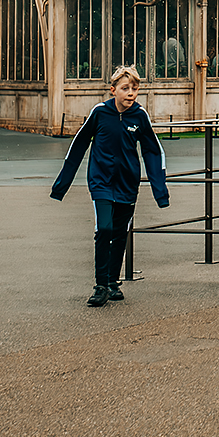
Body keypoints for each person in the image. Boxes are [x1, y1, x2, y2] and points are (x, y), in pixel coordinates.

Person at [51, 66, 171, 307]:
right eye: (125, 89)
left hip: (128, 183)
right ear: (113, 90)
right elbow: (78, 146)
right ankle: (100, 285)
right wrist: (62, 185)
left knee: (119, 233)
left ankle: (113, 282)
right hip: (101, 182)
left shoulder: (139, 116)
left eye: (134, 89)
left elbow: (152, 151)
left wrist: (161, 192)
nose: (130, 94)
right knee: (104, 228)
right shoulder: (100, 113)